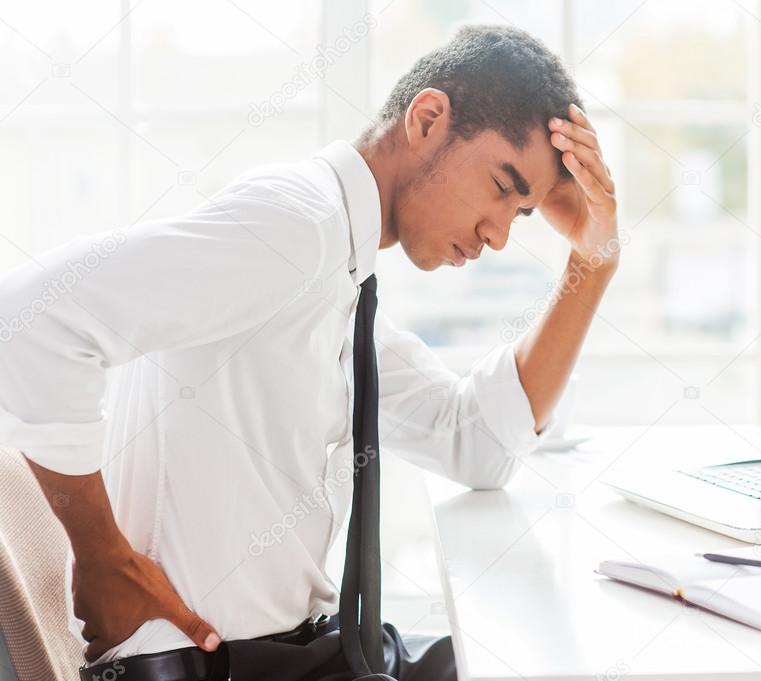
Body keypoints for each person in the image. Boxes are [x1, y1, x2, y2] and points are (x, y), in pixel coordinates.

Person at [0, 23, 618, 681]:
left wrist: (594, 258)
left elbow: (474, 443)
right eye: (501, 186)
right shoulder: (298, 227)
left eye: (522, 214)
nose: (498, 236)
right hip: (215, 661)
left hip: (304, 650)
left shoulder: (336, 273)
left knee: (514, 661)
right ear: (428, 119)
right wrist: (104, 560)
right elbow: (26, 322)